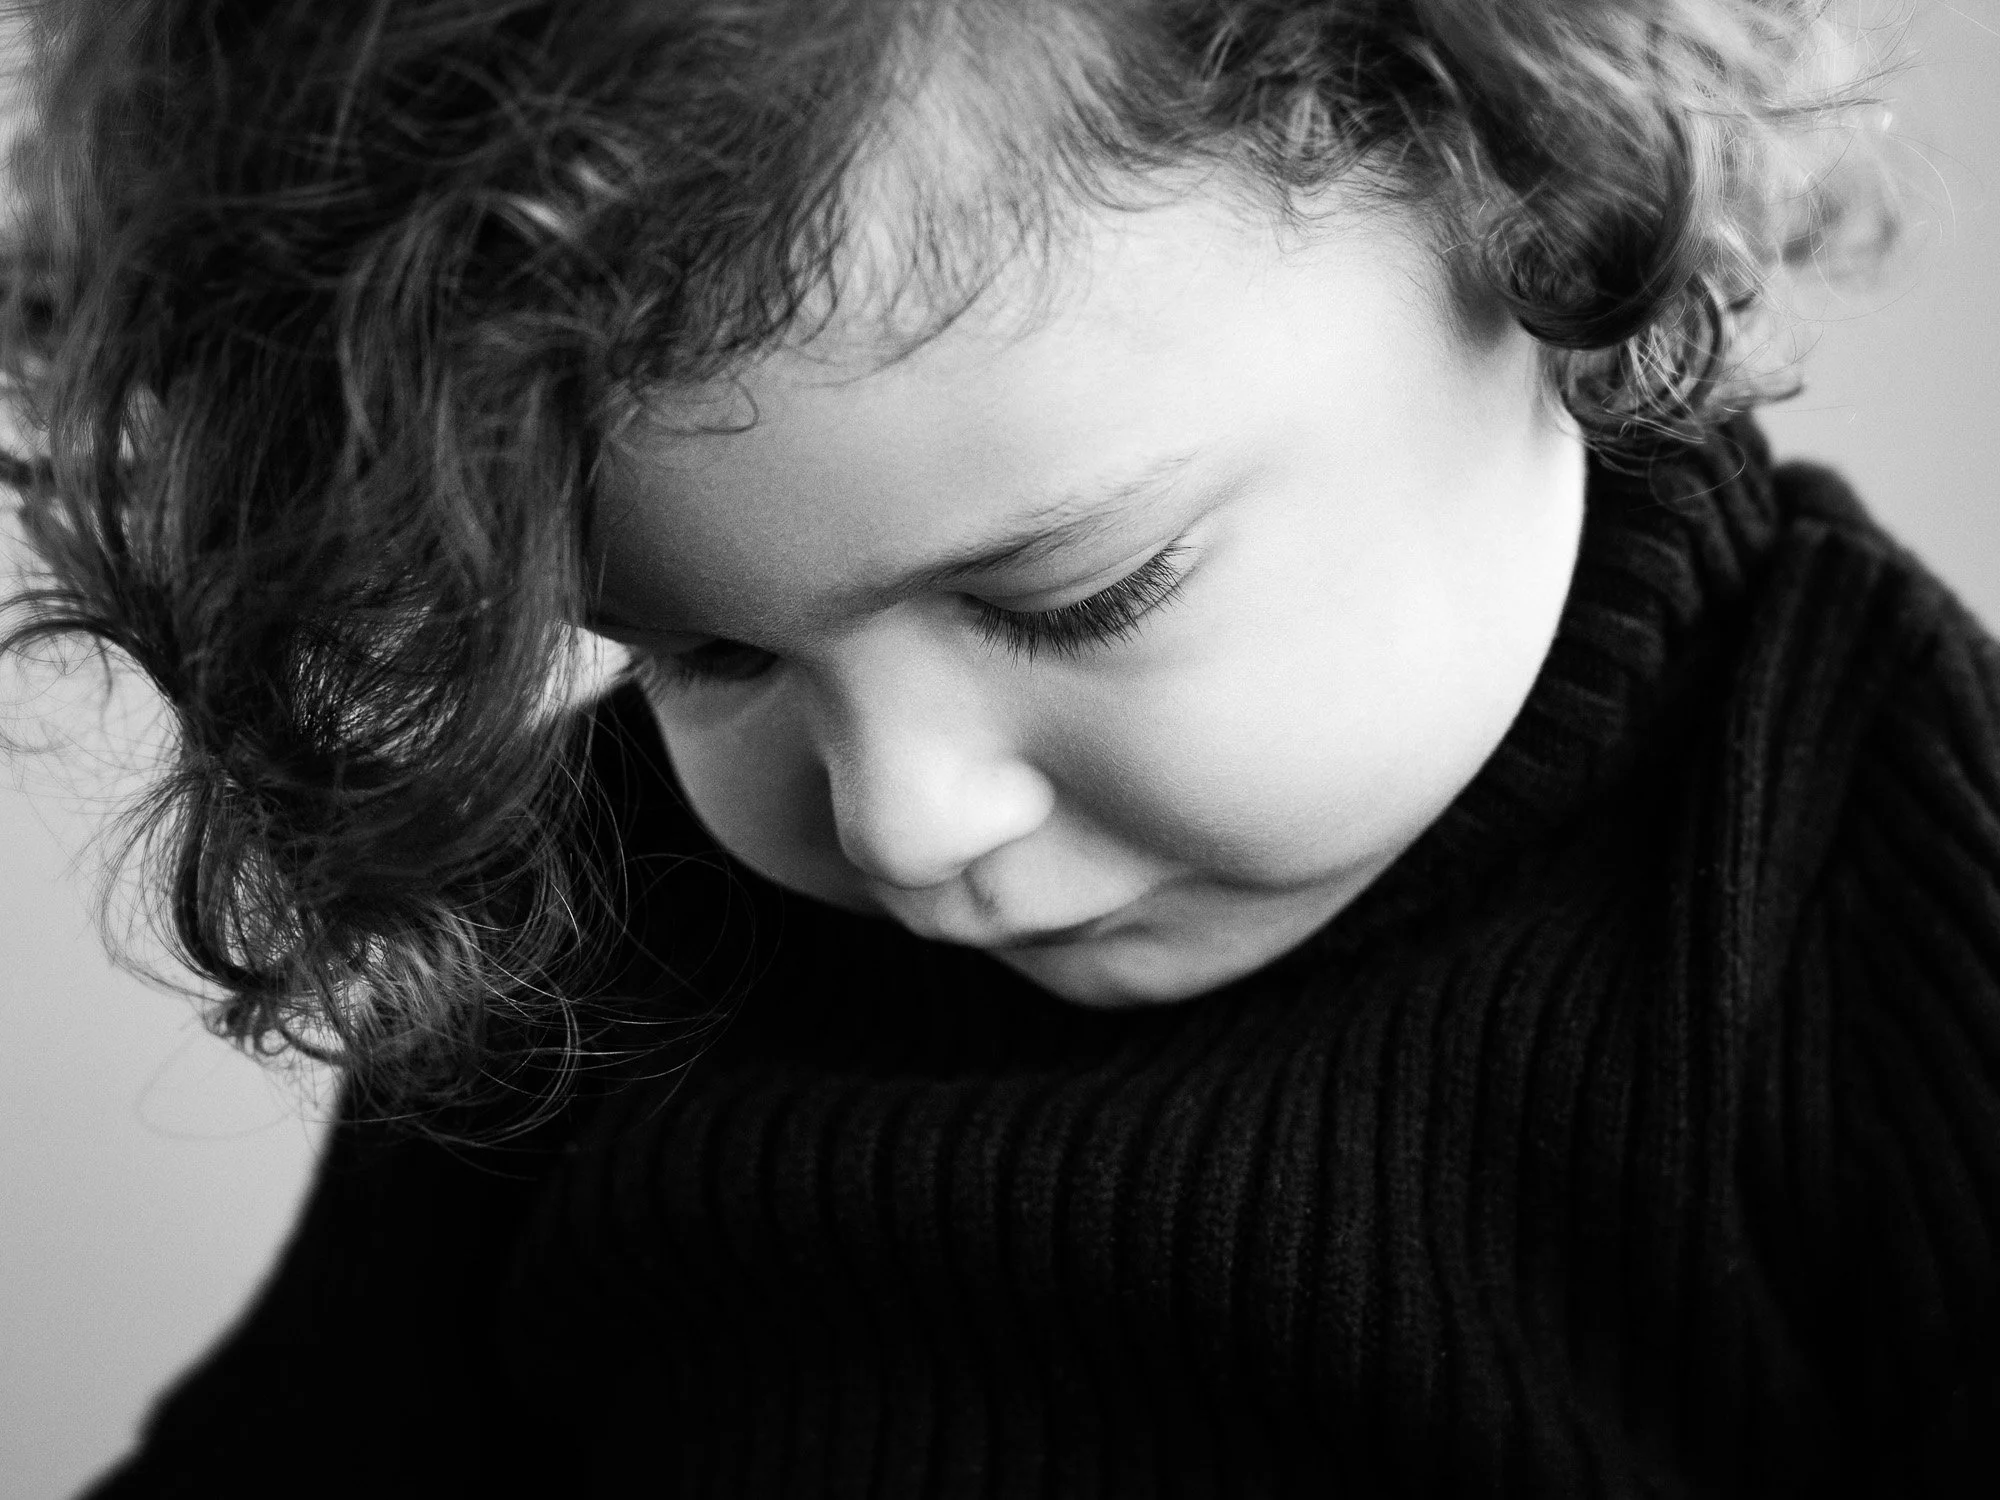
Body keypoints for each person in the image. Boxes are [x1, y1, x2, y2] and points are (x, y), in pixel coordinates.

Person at [3, 0, 1994, 1493]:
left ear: (1526, 190)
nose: (901, 819)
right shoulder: (592, 954)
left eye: (1076, 600)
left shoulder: (1878, 875)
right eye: (704, 656)